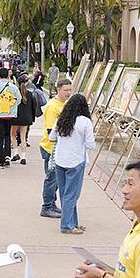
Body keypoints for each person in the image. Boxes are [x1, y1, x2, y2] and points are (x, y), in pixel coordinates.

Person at [49, 93, 95, 234]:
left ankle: (72, 222)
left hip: (60, 160)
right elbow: (91, 144)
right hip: (76, 161)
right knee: (72, 195)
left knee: (65, 194)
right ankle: (67, 226)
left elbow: (52, 137)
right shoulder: (85, 122)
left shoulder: (61, 119)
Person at [39, 78, 73, 219]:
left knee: (57, 180)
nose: (68, 93)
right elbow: (50, 131)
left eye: (70, 90)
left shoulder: (65, 104)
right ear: (58, 89)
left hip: (60, 148)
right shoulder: (53, 107)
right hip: (51, 148)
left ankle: (52, 204)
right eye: (65, 90)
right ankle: (46, 207)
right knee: (52, 179)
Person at [0, 67, 21, 167]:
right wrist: (12, 107)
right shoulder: (14, 87)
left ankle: (1, 160)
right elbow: (19, 99)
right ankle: (7, 156)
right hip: (10, 115)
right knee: (7, 135)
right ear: (8, 75)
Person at [10, 76, 40, 164]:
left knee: (13, 135)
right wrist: (32, 118)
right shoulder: (30, 94)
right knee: (23, 137)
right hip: (26, 118)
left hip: (15, 117)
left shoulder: (15, 93)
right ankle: (23, 157)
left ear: (17, 83)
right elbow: (33, 107)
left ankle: (16, 153)